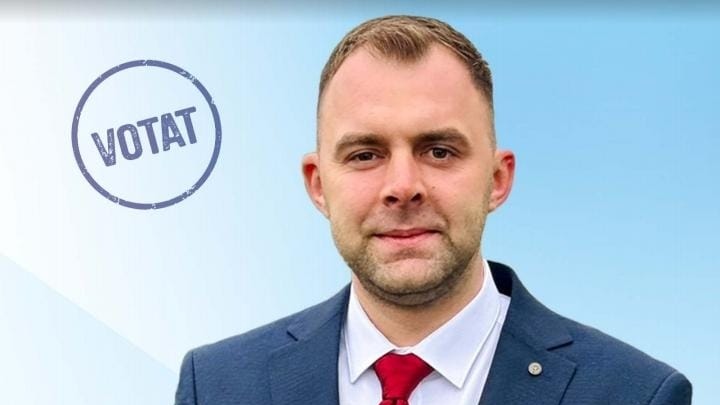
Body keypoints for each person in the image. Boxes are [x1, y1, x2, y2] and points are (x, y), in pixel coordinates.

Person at [175, 15, 691, 405]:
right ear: (318, 185)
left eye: (439, 151)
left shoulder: (635, 394)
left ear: (497, 179)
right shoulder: (218, 386)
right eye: (365, 154)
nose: (402, 187)